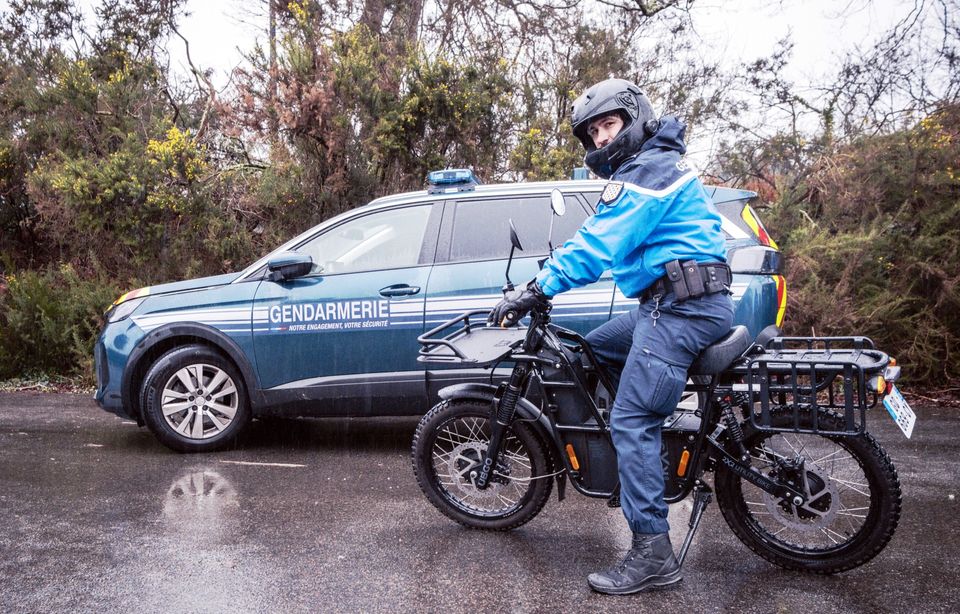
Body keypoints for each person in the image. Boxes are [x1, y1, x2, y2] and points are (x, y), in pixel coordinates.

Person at [489, 78, 735, 595]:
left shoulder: (651, 169)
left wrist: (539, 288)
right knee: (594, 347)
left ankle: (652, 552)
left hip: (680, 310)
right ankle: (639, 455)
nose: (602, 139)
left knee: (631, 418)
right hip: (674, 304)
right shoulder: (650, 164)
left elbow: (599, 243)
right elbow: (602, 234)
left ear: (634, 118)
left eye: (609, 125)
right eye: (593, 132)